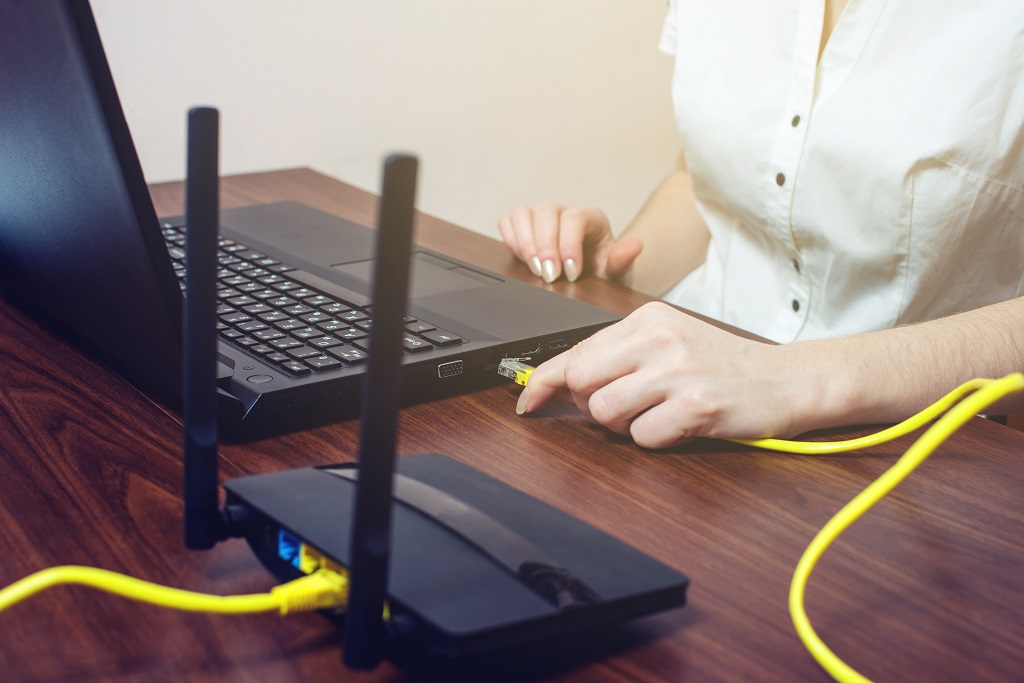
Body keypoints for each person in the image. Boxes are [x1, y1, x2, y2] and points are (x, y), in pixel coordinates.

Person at [498, 0, 1024, 446]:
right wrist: (610, 281)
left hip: (910, 446)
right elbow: (700, 183)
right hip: (690, 396)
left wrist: (792, 377)